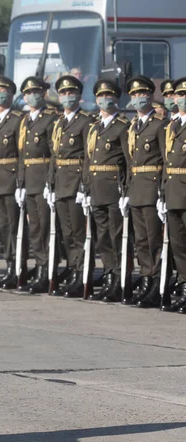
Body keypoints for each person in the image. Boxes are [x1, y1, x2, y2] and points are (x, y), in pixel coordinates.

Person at [82, 79, 130, 303]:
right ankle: (110, 273)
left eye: (108, 96)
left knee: (117, 235)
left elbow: (129, 162)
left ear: (116, 99)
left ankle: (121, 278)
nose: (104, 100)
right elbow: (88, 159)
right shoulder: (94, 127)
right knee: (102, 238)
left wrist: (127, 190)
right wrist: (85, 187)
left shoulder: (122, 126)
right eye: (100, 97)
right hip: (96, 187)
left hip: (114, 188)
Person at [123, 76, 168, 307]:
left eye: (142, 94)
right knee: (140, 240)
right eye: (134, 95)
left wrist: (162, 192)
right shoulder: (133, 127)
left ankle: (156, 281)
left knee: (152, 239)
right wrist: (126, 190)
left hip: (151, 187)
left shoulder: (158, 125)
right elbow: (131, 162)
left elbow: (165, 160)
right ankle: (146, 278)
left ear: (150, 95)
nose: (138, 98)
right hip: (136, 188)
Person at [49, 75, 94, 297]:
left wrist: (85, 186)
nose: (67, 96)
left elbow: (88, 156)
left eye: (71, 92)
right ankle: (73, 269)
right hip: (61, 183)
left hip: (76, 182)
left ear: (79, 95)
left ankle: (83, 274)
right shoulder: (58, 123)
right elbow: (54, 156)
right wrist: (50, 183)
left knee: (78, 232)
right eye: (63, 93)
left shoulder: (85, 121)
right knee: (66, 233)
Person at [16, 76, 58, 293]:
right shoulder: (25, 121)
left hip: (42, 179)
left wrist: (50, 182)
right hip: (29, 181)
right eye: (29, 92)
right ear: (24, 96)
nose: (33, 96)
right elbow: (22, 154)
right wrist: (20, 183)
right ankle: (40, 265)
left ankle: (47, 271)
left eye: (37, 92)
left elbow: (54, 154)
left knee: (44, 227)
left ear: (43, 94)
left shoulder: (50, 119)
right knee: (34, 229)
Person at [0, 76, 26, 289]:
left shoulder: (18, 120)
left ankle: (16, 266)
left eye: (3, 90)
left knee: (13, 226)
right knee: (3, 226)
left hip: (11, 179)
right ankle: (9, 263)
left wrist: (20, 182)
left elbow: (22, 153)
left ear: (11, 94)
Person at [160, 77, 186, 313]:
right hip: (173, 192)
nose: (180, 99)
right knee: (179, 245)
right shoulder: (172, 126)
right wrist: (162, 192)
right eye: (178, 94)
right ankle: (184, 286)